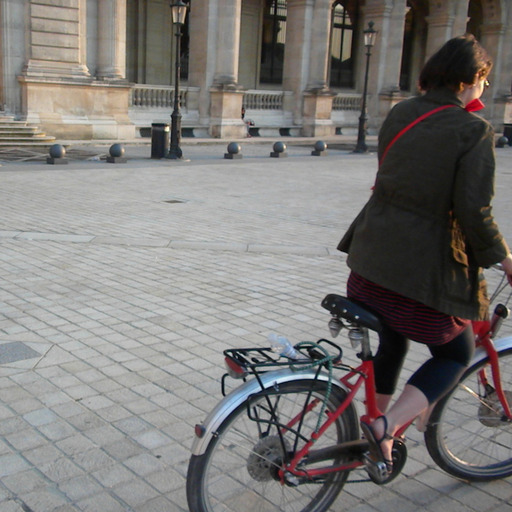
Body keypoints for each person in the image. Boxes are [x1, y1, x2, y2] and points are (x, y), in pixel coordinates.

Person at [337, 34, 512, 477]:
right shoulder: (473, 131)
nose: (485, 90)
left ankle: (374, 429)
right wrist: (504, 259)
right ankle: (385, 427)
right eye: (484, 81)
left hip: (369, 261)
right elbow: (475, 213)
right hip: (420, 275)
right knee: (455, 354)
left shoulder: (402, 113)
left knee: (393, 336)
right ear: (472, 78)